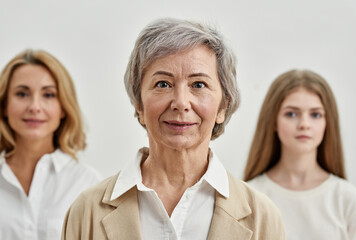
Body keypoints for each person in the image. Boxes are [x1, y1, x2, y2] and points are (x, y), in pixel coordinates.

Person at [61, 18, 285, 240]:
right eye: (163, 84)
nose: (181, 102)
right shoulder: (86, 211)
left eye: (198, 85)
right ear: (138, 103)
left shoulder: (262, 217)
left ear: (223, 106)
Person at [244, 69, 356, 240]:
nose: (304, 124)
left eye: (315, 114)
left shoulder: (347, 199)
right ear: (273, 121)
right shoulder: (250, 197)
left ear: (328, 122)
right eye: (291, 114)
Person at [0, 49, 101, 240]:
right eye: (22, 94)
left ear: (63, 108)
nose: (35, 107)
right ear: (4, 105)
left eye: (48, 95)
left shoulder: (88, 183)